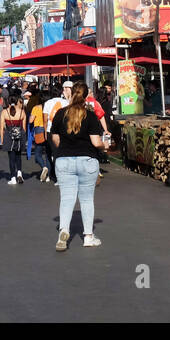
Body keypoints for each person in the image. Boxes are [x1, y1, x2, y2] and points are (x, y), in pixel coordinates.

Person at [51, 84, 105, 250]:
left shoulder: (61, 114)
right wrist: (105, 146)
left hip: (64, 160)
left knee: (66, 198)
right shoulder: (90, 116)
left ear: (71, 94)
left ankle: (64, 231)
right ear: (87, 95)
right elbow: (96, 142)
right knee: (87, 199)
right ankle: (88, 236)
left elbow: (55, 138)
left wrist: (64, 148)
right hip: (87, 161)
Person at [40, 83, 71, 183]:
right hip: (63, 131)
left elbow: (45, 119)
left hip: (50, 130)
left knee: (49, 153)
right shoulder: (65, 102)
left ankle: (52, 174)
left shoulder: (48, 103)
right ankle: (58, 175)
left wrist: (45, 132)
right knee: (60, 153)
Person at [1, 92, 26, 184]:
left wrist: (2, 139)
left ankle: (13, 177)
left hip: (9, 135)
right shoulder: (22, 112)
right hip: (19, 135)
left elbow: (1, 128)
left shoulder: (5, 112)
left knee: (11, 157)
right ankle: (19, 173)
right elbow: (24, 128)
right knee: (18, 156)